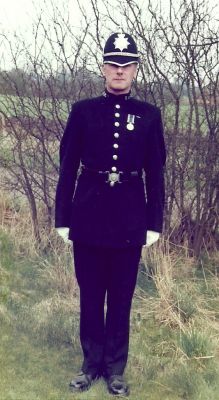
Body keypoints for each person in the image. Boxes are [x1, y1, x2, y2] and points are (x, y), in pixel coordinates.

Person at [55, 32, 166, 396]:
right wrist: (63, 217)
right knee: (90, 295)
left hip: (130, 222)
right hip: (88, 219)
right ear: (103, 69)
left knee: (121, 296)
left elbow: (157, 173)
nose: (119, 71)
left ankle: (115, 369)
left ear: (135, 71)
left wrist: (154, 223)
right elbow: (68, 167)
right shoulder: (83, 112)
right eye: (113, 64)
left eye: (126, 65)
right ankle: (90, 366)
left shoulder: (149, 116)